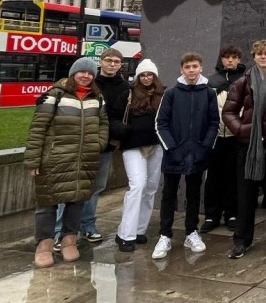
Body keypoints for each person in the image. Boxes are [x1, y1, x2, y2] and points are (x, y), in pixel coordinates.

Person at [25, 58, 108, 267]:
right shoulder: (55, 94)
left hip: (84, 158)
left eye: (90, 73)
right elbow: (37, 129)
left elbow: (103, 123)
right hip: (55, 158)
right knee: (47, 202)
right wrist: (33, 159)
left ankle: (69, 240)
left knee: (77, 200)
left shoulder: (97, 97)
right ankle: (44, 243)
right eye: (82, 72)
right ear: (73, 73)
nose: (86, 76)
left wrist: (98, 143)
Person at [222, 40, 266, 259]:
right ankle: (242, 240)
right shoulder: (244, 81)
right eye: (259, 54)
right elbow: (229, 110)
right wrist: (241, 130)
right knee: (246, 196)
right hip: (248, 147)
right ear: (254, 56)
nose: (263, 57)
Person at [152, 52, 219, 260]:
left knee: (193, 194)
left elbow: (213, 123)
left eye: (195, 67)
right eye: (187, 67)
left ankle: (191, 232)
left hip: (197, 153)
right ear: (182, 69)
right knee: (169, 195)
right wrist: (171, 147)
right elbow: (160, 123)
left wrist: (204, 146)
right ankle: (165, 235)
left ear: (201, 68)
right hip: (175, 153)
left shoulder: (209, 93)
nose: (191, 70)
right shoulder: (171, 93)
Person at [61, 48, 129, 246]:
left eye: (116, 62)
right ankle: (62, 231)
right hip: (80, 144)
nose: (112, 64)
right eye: (109, 60)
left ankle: (88, 226)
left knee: (96, 187)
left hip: (105, 146)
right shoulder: (90, 83)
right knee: (71, 188)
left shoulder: (125, 87)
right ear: (101, 62)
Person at [114, 59, 165, 252]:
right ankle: (125, 234)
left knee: (151, 188)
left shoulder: (163, 94)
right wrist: (124, 130)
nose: (146, 78)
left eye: (149, 74)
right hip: (133, 146)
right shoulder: (127, 94)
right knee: (138, 185)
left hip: (156, 146)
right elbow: (113, 118)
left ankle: (139, 229)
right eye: (143, 75)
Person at [204, 45, 246, 233]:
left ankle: (231, 213)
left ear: (239, 60)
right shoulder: (211, 82)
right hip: (215, 136)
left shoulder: (245, 80)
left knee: (233, 177)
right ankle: (211, 215)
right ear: (221, 60)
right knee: (213, 177)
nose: (230, 61)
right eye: (227, 57)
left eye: (234, 57)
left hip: (235, 135)